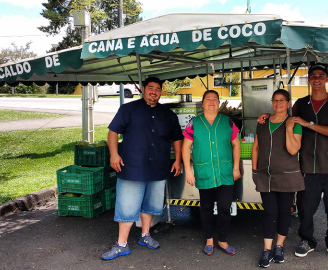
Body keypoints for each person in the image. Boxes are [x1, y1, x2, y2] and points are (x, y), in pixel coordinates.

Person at [257, 64, 328, 261]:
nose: (317, 79)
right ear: (308, 79)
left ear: (326, 79)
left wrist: (309, 124)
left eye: (321, 76)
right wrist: (265, 115)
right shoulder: (301, 104)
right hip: (307, 165)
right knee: (306, 208)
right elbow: (283, 116)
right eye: (313, 76)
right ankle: (306, 240)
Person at [101, 77, 183, 260]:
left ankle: (145, 235)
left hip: (158, 167)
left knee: (151, 205)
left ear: (161, 92)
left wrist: (177, 160)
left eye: (158, 89)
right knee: (127, 205)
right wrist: (114, 154)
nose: (154, 91)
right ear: (143, 89)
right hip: (132, 167)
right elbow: (113, 131)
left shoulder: (168, 114)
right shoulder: (128, 109)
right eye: (151, 88)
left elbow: (177, 138)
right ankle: (121, 244)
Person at [182, 90, 241, 256]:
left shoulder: (227, 122)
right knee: (206, 208)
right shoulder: (194, 122)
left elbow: (236, 144)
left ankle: (222, 240)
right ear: (202, 103)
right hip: (204, 171)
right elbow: (186, 147)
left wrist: (236, 167)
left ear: (218, 103)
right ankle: (209, 239)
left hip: (225, 172)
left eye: (215, 99)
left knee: (224, 207)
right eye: (208, 99)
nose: (211, 102)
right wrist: (188, 170)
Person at [252, 89, 305, 268]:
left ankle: (279, 246)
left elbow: (293, 150)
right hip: (266, 175)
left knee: (284, 212)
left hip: (287, 176)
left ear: (289, 103)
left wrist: (289, 128)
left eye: (282, 100)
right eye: (275, 100)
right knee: (269, 212)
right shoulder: (263, 122)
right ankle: (267, 249)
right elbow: (256, 147)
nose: (278, 103)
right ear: (272, 102)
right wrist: (254, 170)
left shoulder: (294, 123)